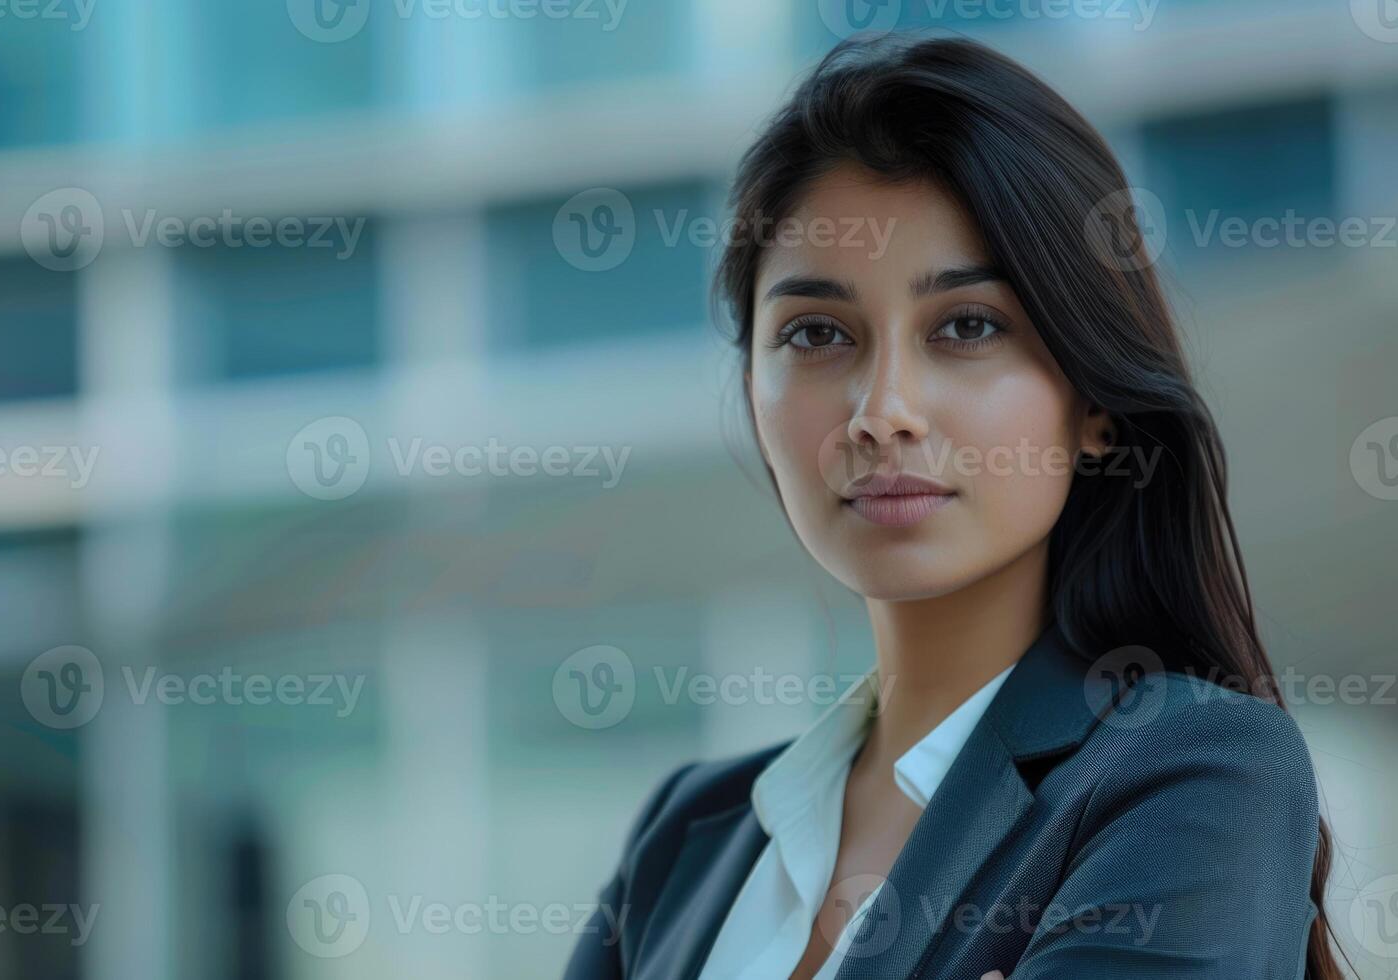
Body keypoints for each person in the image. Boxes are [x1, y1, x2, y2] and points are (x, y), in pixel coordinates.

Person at [563, 31, 1346, 980]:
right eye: (816, 332)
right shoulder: (687, 835)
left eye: (967, 326)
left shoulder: (1196, 777)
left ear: (1093, 402)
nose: (881, 413)